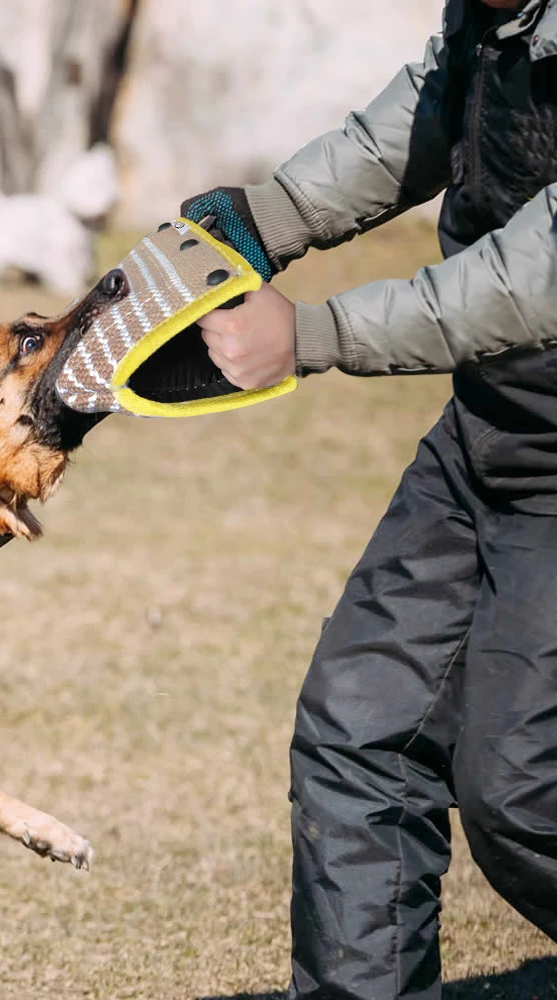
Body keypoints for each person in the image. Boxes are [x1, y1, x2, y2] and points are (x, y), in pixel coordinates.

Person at [179, 1, 557, 997]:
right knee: (357, 729)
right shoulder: (493, 16)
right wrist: (258, 223)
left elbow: (533, 279)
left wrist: (308, 339)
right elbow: (424, 120)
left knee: (520, 785)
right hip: (490, 435)